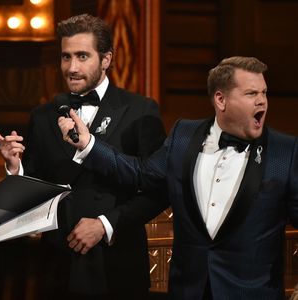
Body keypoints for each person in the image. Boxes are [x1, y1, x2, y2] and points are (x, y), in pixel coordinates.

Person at [58, 56, 298, 300]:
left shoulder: (285, 152)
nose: (262, 101)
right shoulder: (184, 135)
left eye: (264, 93)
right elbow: (141, 174)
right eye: (251, 93)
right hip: (188, 291)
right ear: (220, 99)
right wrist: (88, 144)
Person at [0, 13, 166, 299]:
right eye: (66, 57)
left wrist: (105, 225)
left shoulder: (140, 111)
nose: (71, 67)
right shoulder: (43, 115)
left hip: (116, 264)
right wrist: (15, 167)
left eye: (83, 56)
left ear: (106, 59)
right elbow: (35, 188)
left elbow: (159, 189)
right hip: (56, 267)